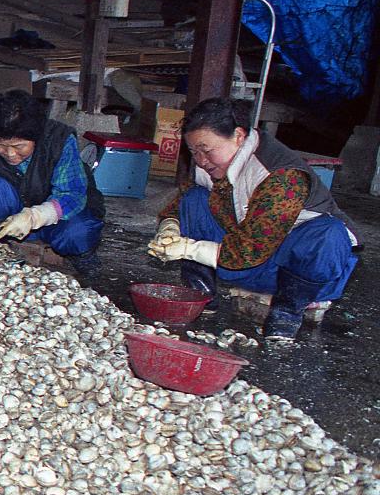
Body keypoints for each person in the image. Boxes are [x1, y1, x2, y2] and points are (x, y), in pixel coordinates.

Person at [147, 97, 360, 340]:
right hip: (250, 267)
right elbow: (178, 206)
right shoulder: (209, 167)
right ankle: (201, 295)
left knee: (328, 234)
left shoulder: (282, 176)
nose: (200, 160)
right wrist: (169, 228)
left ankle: (287, 312)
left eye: (206, 150)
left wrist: (189, 248)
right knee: (194, 199)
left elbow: (251, 248)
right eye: (193, 152)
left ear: (239, 136)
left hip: (296, 272)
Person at [0, 90, 105, 271]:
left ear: (35, 138)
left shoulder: (59, 141)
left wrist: (35, 216)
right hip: (11, 220)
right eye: (0, 145)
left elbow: (72, 194)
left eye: (19, 146)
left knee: (77, 234)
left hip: (58, 218)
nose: (10, 153)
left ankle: (82, 256)